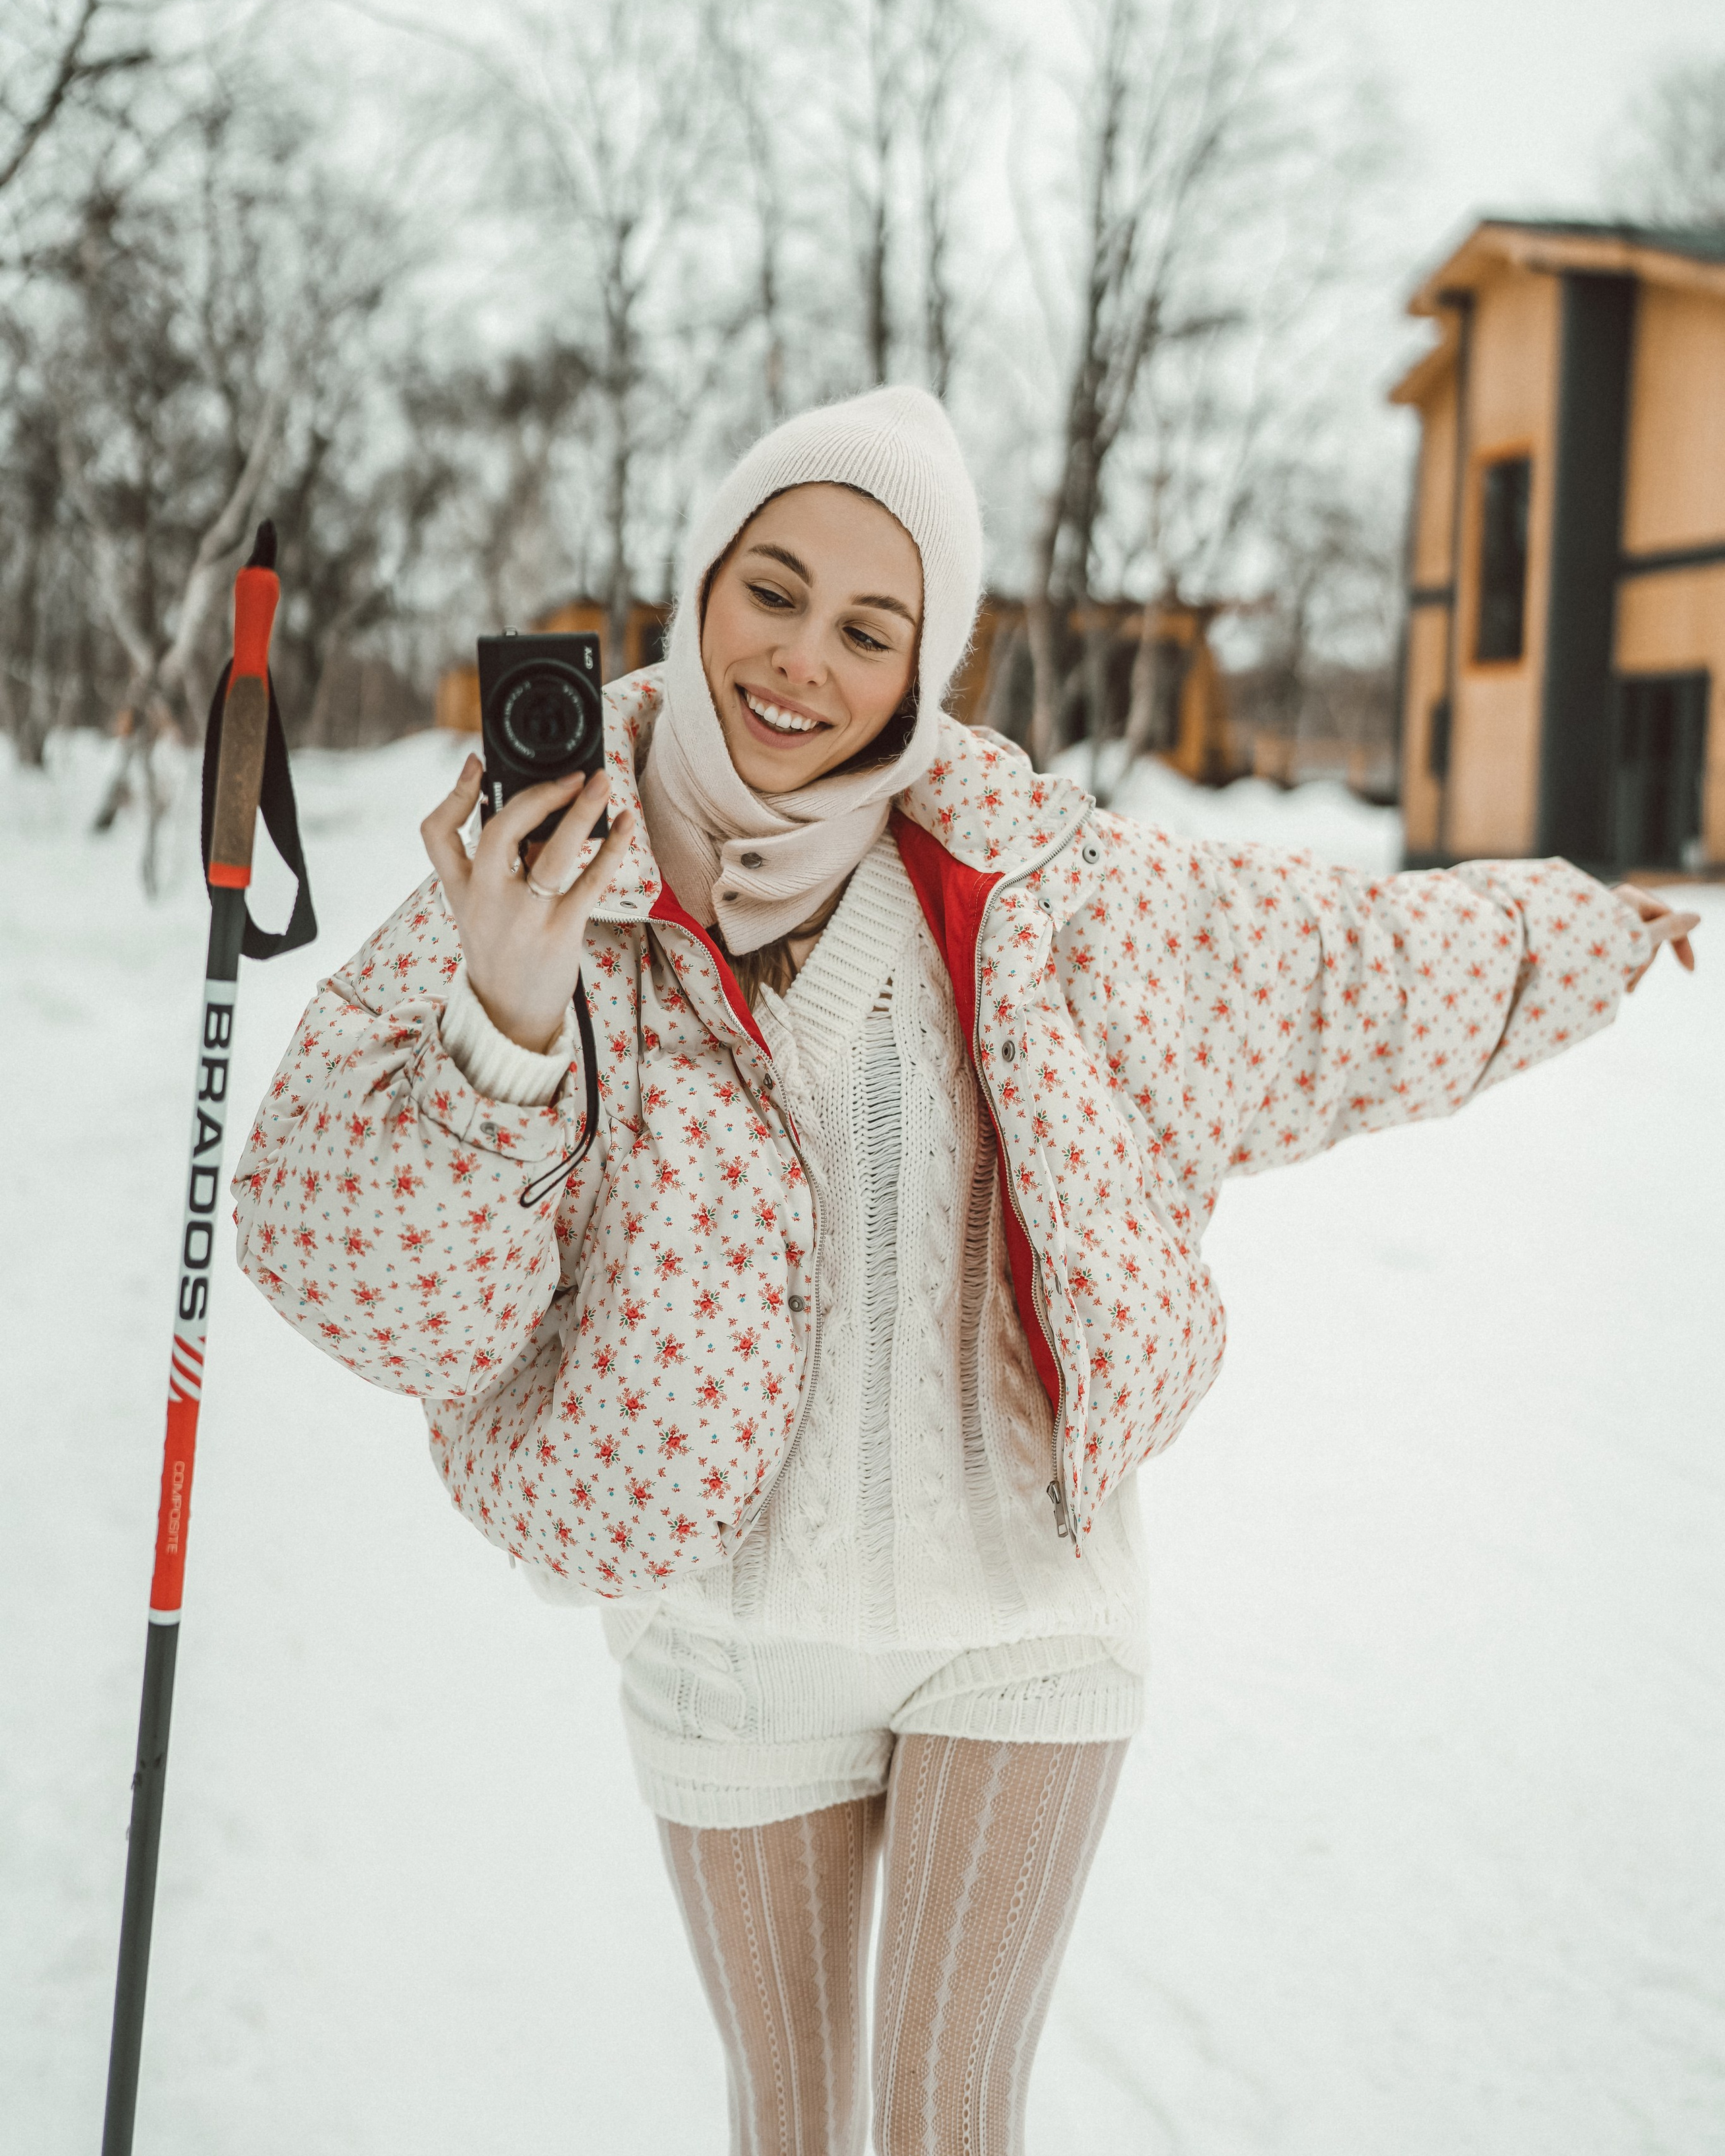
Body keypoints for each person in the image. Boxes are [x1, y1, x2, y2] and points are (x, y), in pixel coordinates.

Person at [233, 387, 1698, 2156]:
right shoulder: (532, 874)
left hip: (1022, 1624)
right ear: (696, 591)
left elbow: (1329, 963)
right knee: (795, 2119)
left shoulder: (1039, 892)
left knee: (944, 2124)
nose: (802, 661)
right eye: (771, 591)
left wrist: (1585, 923)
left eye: (872, 627)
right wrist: (504, 1019)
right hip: (727, 1634)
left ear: (926, 669)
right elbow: (368, 1279)